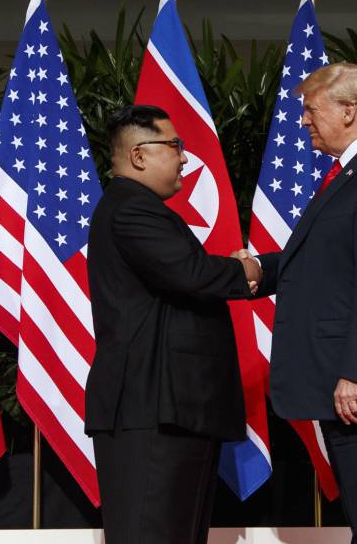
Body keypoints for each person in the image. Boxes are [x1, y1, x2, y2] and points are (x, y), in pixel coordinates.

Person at [241, 62, 357, 543]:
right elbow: (326, 263)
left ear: (349, 111)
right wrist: (260, 269)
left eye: (310, 109)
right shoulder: (354, 174)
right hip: (346, 383)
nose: (303, 120)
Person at [84, 105, 262, 544]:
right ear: (140, 155)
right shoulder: (130, 209)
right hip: (151, 410)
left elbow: (189, 273)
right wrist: (257, 270)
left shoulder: (137, 208)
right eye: (175, 146)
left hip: (171, 410)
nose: (184, 157)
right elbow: (193, 274)